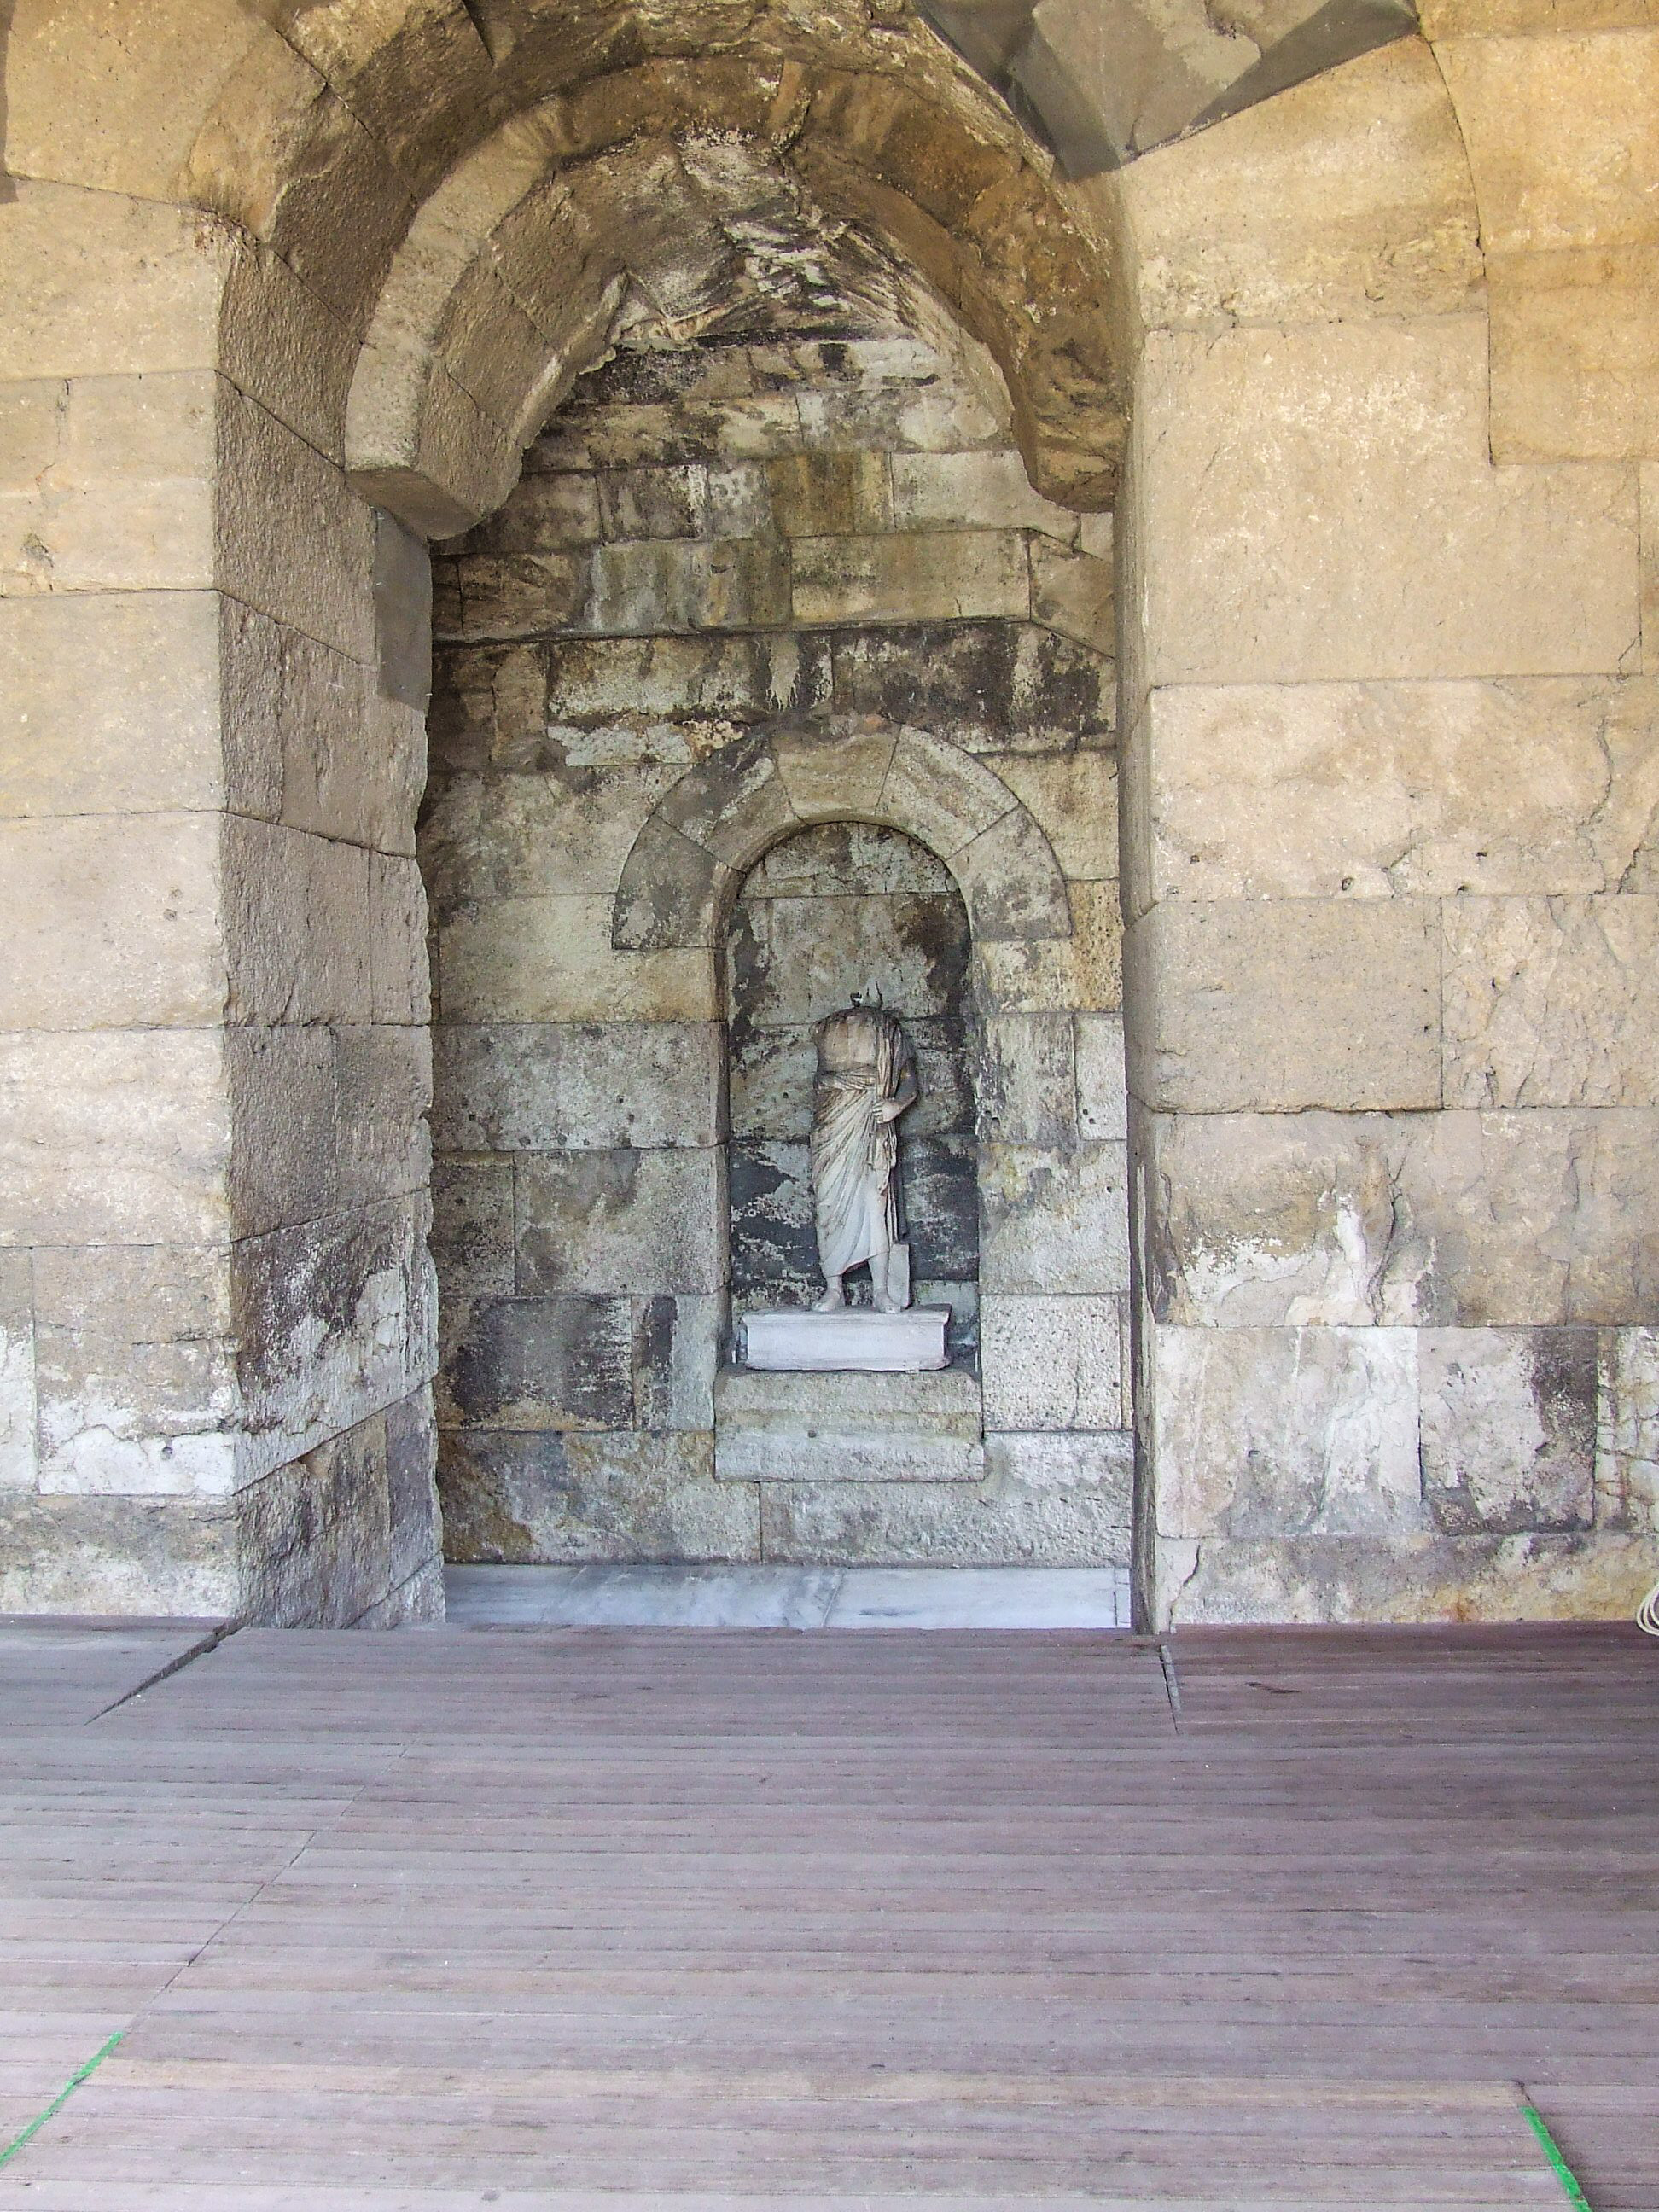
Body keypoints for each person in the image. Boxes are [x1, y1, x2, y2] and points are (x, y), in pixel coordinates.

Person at [808, 982, 919, 1314]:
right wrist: (833, 1084)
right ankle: (833, 1288)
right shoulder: (827, 1029)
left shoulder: (888, 1031)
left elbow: (909, 1080)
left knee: (875, 1205)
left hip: (871, 1124)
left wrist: (896, 1105)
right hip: (832, 1127)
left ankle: (881, 1291)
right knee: (828, 1203)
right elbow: (821, 1079)